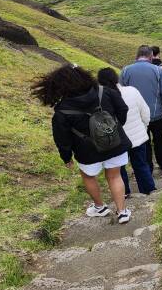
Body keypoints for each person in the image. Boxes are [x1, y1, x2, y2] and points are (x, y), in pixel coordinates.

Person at [33, 64, 133, 224]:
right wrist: (115, 128)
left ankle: (99, 207)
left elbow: (62, 137)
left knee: (88, 176)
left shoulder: (62, 110)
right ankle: (122, 212)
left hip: (87, 151)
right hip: (114, 143)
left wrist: (66, 157)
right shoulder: (104, 91)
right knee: (115, 176)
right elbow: (122, 109)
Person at [98, 68, 156, 198]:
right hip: (138, 138)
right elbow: (145, 112)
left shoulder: (100, 98)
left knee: (119, 169)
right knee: (141, 165)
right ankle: (149, 191)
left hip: (116, 141)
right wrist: (143, 128)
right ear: (116, 78)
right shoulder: (132, 91)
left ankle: (124, 194)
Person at [121, 45, 162, 175]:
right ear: (151, 57)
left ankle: (146, 169)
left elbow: (120, 93)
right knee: (160, 141)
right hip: (156, 114)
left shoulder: (125, 71)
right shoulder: (158, 71)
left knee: (142, 143)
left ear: (137, 55)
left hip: (135, 117)